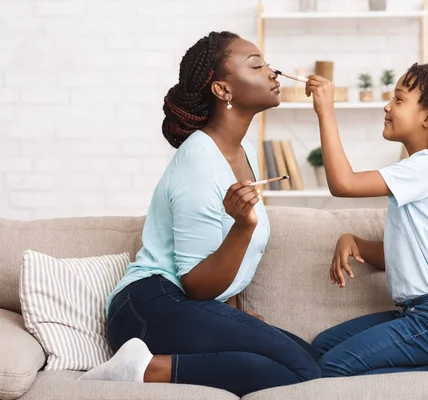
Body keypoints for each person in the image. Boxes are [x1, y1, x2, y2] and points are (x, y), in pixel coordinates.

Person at [80, 31, 321, 397]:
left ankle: (146, 368)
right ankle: (142, 369)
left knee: (306, 358)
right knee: (303, 369)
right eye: (257, 65)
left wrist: (233, 318)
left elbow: (220, 267)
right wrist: (243, 226)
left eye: (268, 64)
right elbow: (196, 285)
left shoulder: (245, 154)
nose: (273, 73)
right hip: (149, 306)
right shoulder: (199, 161)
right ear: (223, 91)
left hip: (187, 307)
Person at [305, 63, 428, 385]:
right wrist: (354, 241)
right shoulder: (416, 171)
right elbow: (402, 257)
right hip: (423, 314)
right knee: (322, 347)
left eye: (399, 100)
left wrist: (326, 111)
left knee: (329, 368)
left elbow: (343, 184)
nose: (387, 106)